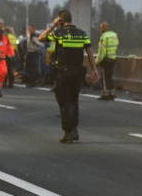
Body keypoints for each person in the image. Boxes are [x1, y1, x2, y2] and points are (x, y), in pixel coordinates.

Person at [38, 10, 99, 144]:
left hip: (63, 72)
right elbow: (90, 53)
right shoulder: (82, 34)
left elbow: (41, 38)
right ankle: (74, 128)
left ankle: (68, 132)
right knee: (74, 100)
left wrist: (53, 26)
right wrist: (95, 70)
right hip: (77, 72)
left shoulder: (59, 33)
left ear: (60, 20)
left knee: (64, 102)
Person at [96, 22, 119, 101]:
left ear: (102, 29)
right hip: (113, 58)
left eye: (101, 28)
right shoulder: (114, 35)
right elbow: (116, 46)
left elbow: (102, 51)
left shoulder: (103, 37)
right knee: (109, 76)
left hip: (106, 59)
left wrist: (97, 61)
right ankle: (112, 93)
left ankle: (105, 94)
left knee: (104, 78)